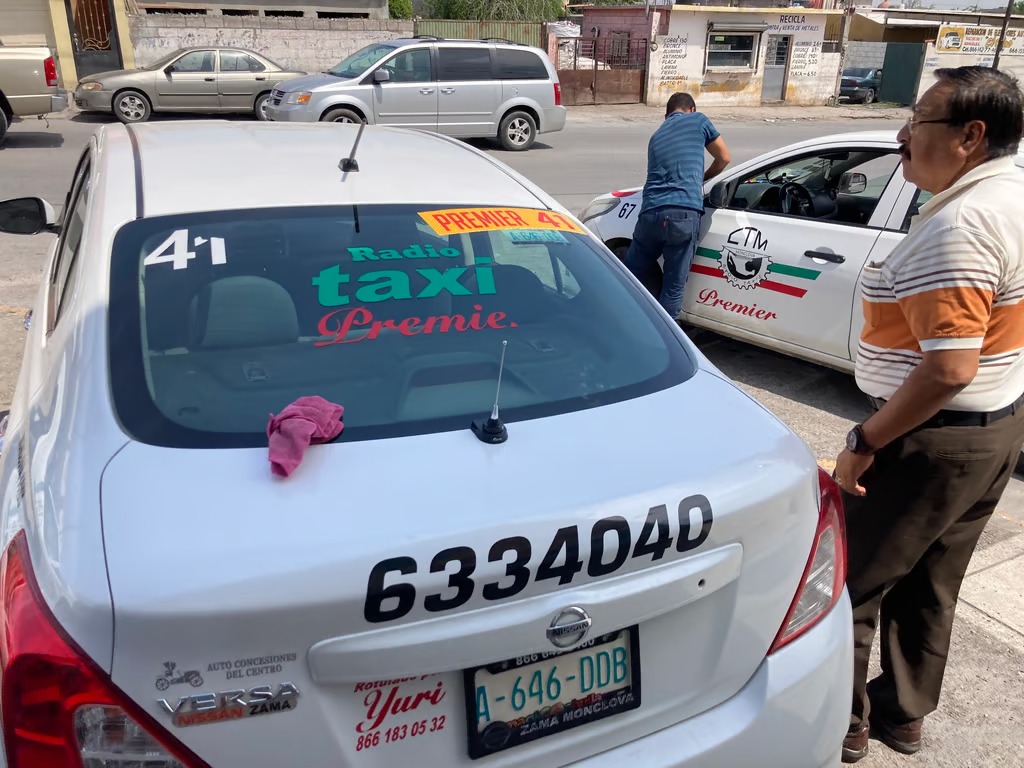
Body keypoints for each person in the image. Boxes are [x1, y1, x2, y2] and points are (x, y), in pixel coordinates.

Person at [834, 66, 1024, 763]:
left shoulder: (963, 224)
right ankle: (904, 715)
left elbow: (948, 368)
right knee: (931, 583)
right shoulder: (1009, 195)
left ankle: (845, 723)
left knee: (850, 585)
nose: (902, 135)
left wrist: (864, 440)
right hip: (994, 428)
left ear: (971, 136)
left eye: (918, 121)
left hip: (928, 441)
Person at [623, 92, 730, 320]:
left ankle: (624, 319)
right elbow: (724, 157)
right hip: (683, 213)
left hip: (650, 213)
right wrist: (703, 178)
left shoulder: (656, 135)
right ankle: (667, 336)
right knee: (673, 286)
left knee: (632, 274)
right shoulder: (698, 120)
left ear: (666, 116)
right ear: (692, 109)